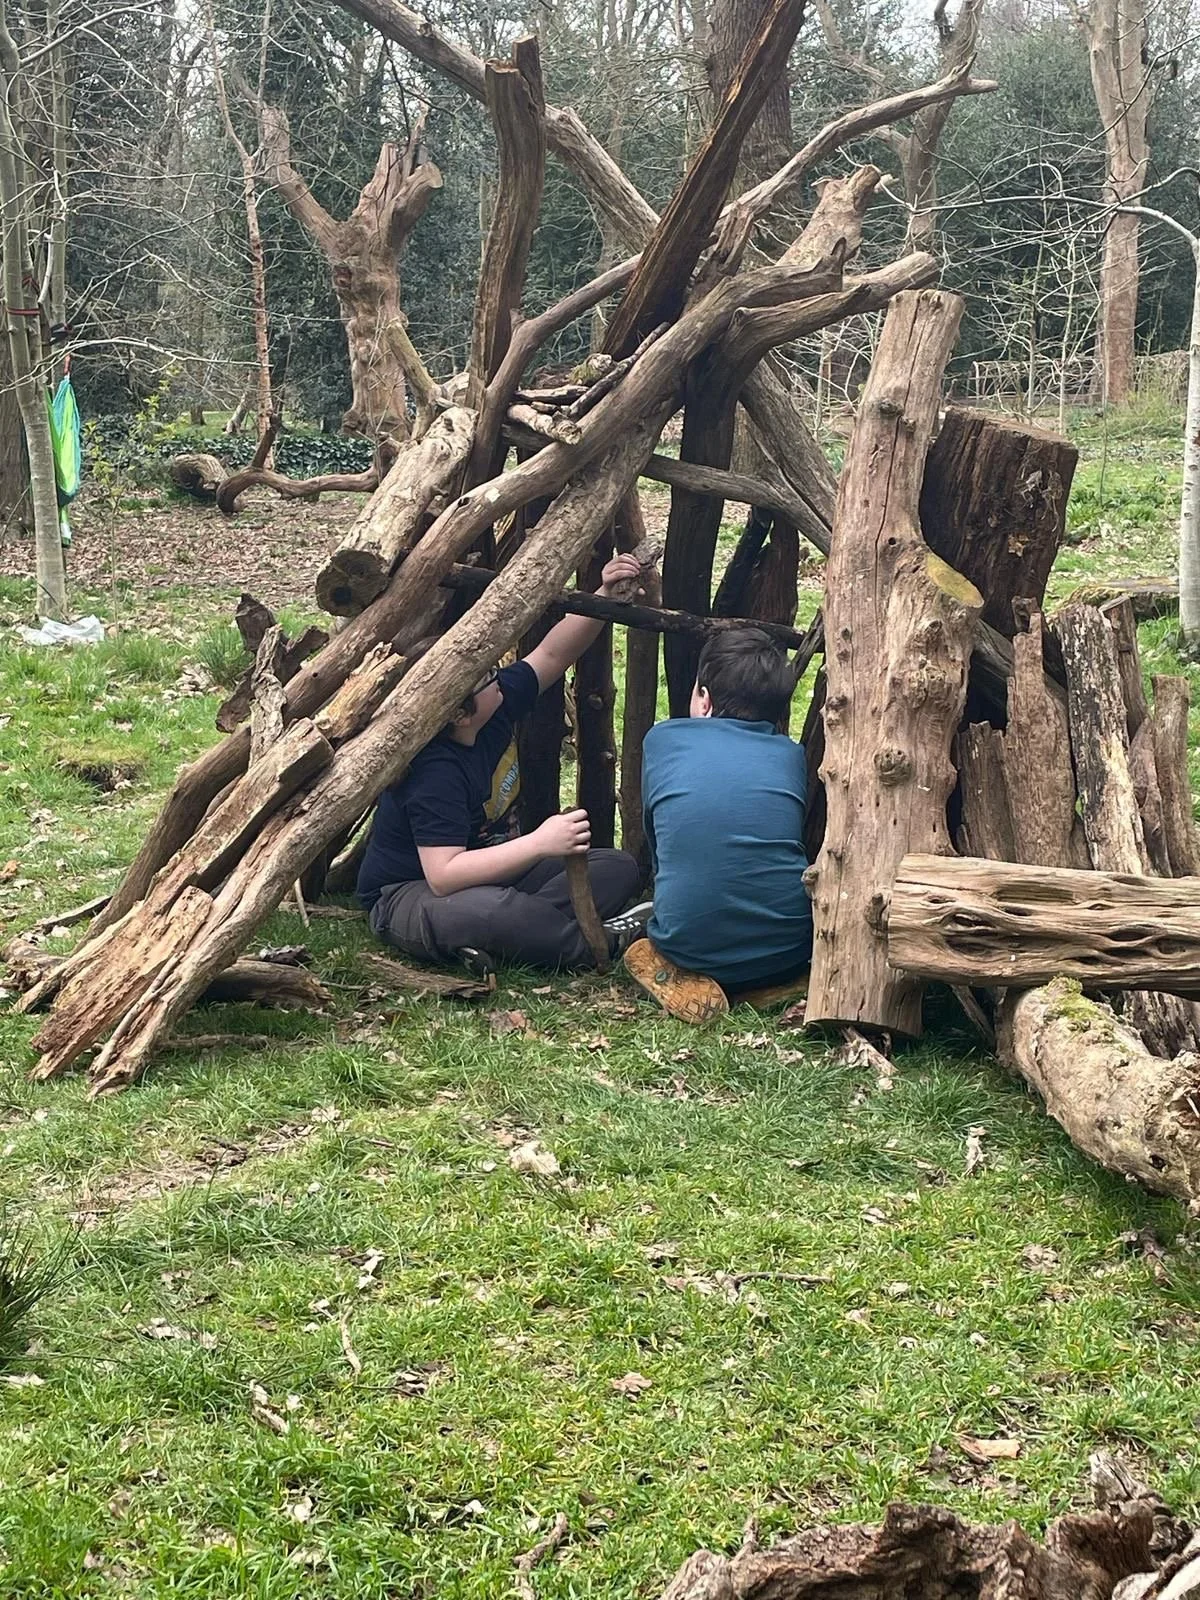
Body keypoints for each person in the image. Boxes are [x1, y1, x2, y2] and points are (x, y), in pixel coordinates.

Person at [357, 553, 650, 974]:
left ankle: (516, 937)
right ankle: (596, 944)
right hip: (411, 894)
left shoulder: (489, 709)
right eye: (489, 676)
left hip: (494, 875)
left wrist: (603, 596)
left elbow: (550, 655)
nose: (500, 675)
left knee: (615, 867)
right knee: (488, 910)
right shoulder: (434, 770)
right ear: (457, 713)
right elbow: (443, 875)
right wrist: (539, 843)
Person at [626, 627, 813, 1021]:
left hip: (689, 946)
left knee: (647, 946)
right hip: (791, 947)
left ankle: (690, 977)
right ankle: (771, 984)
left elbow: (660, 843)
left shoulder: (661, 740)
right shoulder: (791, 754)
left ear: (705, 700)